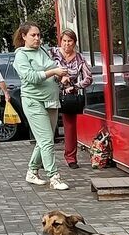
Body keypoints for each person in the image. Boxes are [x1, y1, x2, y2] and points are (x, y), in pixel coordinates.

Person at [12, 22, 69, 191]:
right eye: (33, 35)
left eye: (38, 35)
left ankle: (32, 171)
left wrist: (61, 77)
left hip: (50, 100)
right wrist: (54, 73)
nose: (37, 38)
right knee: (46, 141)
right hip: (33, 101)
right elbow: (31, 77)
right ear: (23, 37)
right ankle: (54, 177)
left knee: (44, 140)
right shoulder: (21, 55)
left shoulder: (42, 50)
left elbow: (52, 67)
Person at [53, 29, 93, 169]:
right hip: (51, 92)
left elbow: (88, 78)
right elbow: (44, 69)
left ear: (74, 43)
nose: (66, 44)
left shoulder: (79, 58)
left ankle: (71, 158)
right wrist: (58, 76)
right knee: (47, 127)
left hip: (68, 95)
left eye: (69, 41)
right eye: (64, 41)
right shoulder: (53, 54)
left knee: (69, 127)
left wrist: (75, 86)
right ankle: (42, 159)